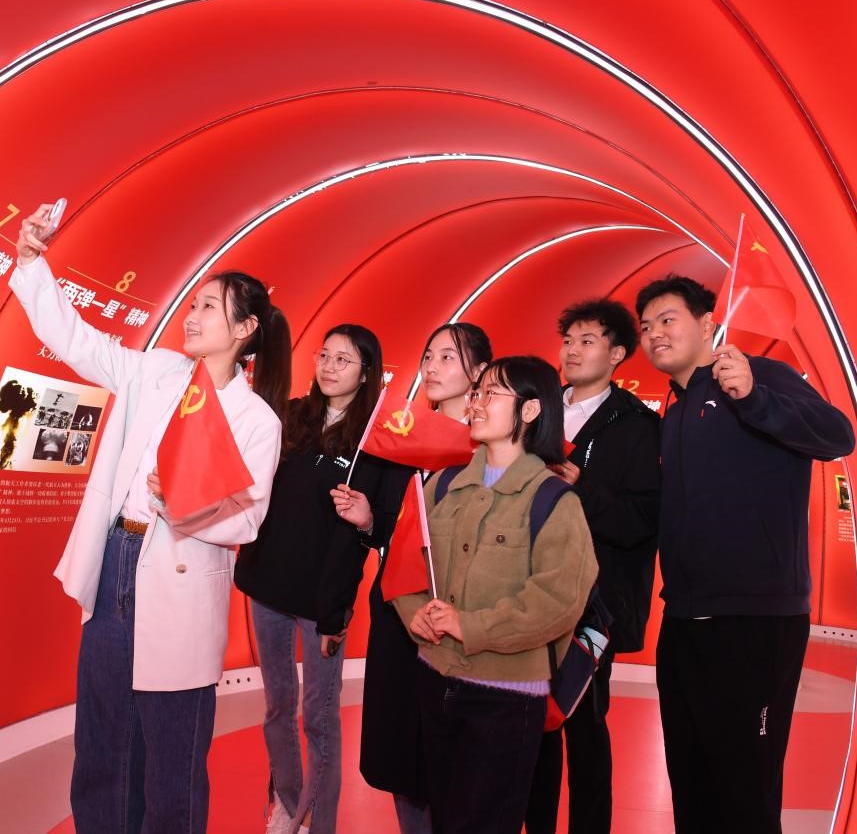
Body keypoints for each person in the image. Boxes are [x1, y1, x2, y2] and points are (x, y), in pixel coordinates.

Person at [10, 203, 292, 834]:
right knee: (102, 744)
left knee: (172, 762)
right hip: (116, 561)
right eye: (193, 304)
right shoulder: (157, 372)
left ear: (246, 328)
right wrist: (32, 264)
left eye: (208, 307)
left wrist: (183, 502)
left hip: (179, 577)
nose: (191, 316)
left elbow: (247, 521)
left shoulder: (256, 420)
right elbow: (78, 342)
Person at [635, 274, 855, 833]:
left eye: (667, 320)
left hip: (754, 622)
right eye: (646, 326)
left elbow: (837, 436)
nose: (655, 333)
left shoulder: (762, 376)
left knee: (745, 792)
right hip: (684, 622)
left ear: (707, 323)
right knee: (691, 783)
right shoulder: (675, 412)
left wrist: (755, 397)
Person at [393, 356, 598, 833]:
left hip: (507, 699)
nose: (476, 403)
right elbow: (406, 562)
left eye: (491, 393)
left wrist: (471, 625)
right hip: (436, 680)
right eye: (477, 392)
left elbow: (557, 602)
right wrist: (414, 612)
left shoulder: (553, 500)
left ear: (530, 410)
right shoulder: (444, 484)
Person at [235, 324, 406, 834]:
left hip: (323, 601)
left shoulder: (378, 440)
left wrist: (369, 520)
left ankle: (320, 821)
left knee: (319, 717)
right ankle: (289, 805)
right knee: (277, 706)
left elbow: (384, 529)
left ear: (367, 372)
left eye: (343, 360)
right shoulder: (290, 416)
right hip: (267, 585)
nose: (329, 367)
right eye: (324, 355)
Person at [525, 299, 661, 834]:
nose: (572, 351)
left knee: (584, 727)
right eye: (568, 341)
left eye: (588, 341)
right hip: (528, 593)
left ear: (618, 354)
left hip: (594, 604)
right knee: (534, 726)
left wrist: (583, 489)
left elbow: (642, 520)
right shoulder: (536, 410)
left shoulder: (638, 425)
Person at [360, 322, 492, 834]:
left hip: (456, 620)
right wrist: (368, 522)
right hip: (398, 610)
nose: (432, 367)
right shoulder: (401, 436)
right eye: (428, 356)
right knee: (401, 751)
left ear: (479, 372)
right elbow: (386, 529)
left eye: (447, 357)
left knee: (454, 755)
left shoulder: (490, 447)